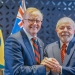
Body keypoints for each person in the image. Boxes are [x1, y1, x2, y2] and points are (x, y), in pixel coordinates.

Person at [4, 7, 46, 75]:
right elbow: (17, 71)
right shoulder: (13, 41)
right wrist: (44, 68)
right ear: (23, 22)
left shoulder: (40, 42)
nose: (35, 23)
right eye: (31, 20)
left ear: (41, 23)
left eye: (37, 21)